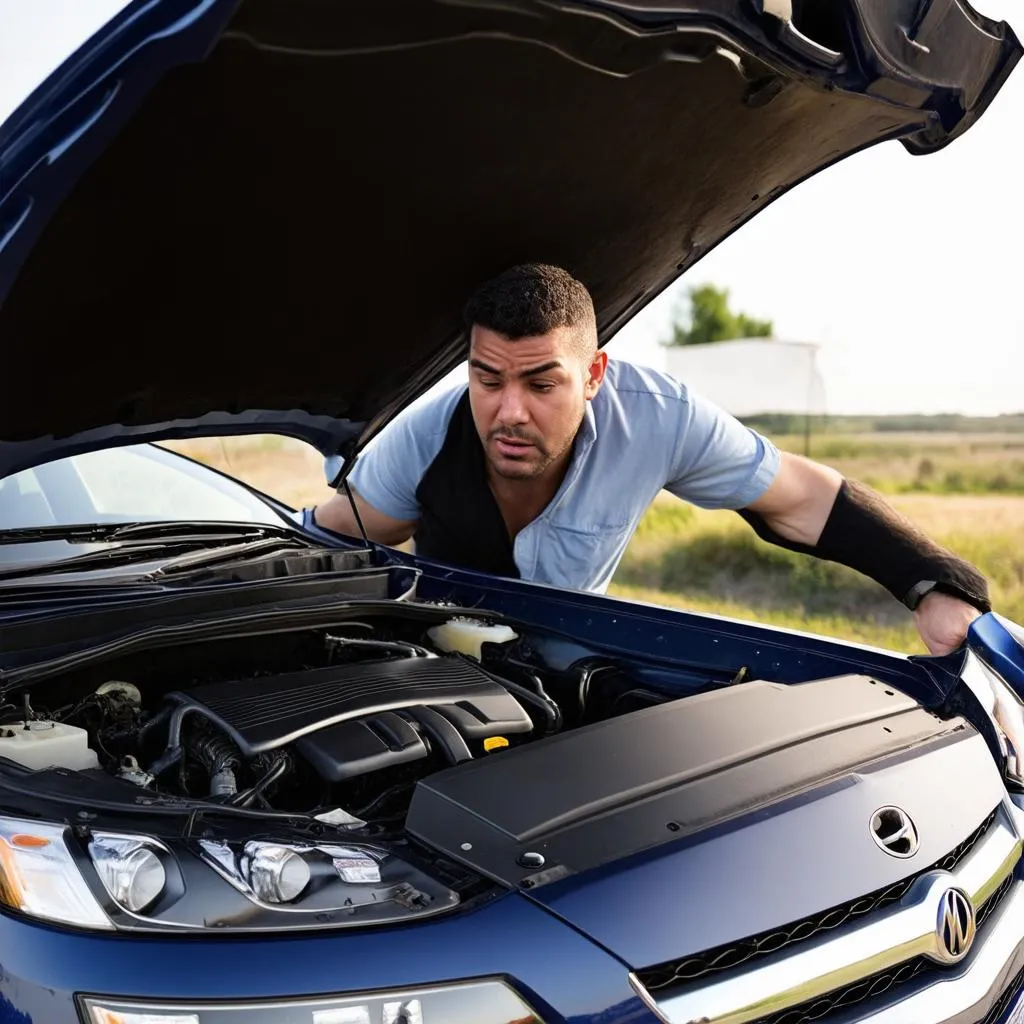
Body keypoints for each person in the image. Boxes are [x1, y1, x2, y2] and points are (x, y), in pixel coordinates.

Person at [309, 263, 991, 655]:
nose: (509, 410)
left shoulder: (659, 417)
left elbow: (801, 499)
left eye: (542, 383)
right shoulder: (428, 434)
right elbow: (342, 534)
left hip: (569, 661)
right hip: (437, 663)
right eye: (488, 379)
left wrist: (935, 584)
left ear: (595, 373)